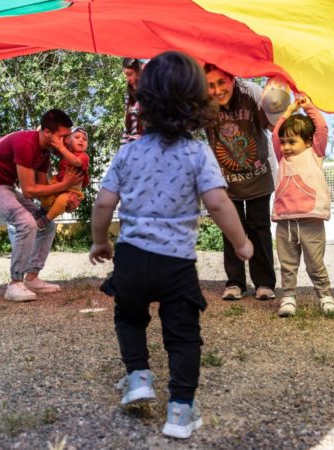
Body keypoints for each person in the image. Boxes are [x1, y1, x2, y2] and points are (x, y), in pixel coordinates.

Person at [90, 50, 253, 439]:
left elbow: (104, 203)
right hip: (176, 263)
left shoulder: (128, 152)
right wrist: (242, 243)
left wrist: (100, 241)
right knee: (182, 333)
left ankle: (139, 376)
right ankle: (180, 408)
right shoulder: (198, 152)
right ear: (198, 102)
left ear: (143, 103)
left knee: (129, 317)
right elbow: (217, 203)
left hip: (131, 257)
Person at [0, 110, 81, 302]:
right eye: (63, 136)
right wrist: (64, 185)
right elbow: (30, 191)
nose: (66, 142)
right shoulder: (25, 143)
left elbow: (44, 194)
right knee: (26, 222)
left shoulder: (44, 153)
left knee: (46, 225)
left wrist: (66, 201)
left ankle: (31, 278)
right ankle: (15, 283)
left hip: (5, 187)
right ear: (47, 133)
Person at [204, 63, 277, 301]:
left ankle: (264, 283)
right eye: (211, 85)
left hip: (258, 175)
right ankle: (235, 282)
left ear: (232, 78)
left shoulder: (251, 93)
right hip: (225, 179)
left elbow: (274, 124)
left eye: (221, 82)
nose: (217, 90)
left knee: (259, 228)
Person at [271, 97, 334, 317]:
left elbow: (321, 126)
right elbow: (275, 133)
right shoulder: (282, 158)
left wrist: (308, 105)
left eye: (292, 142)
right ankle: (288, 297)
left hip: (311, 219)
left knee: (315, 263)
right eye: (284, 142)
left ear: (308, 142)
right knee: (287, 264)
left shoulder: (314, 152)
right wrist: (289, 109)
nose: (286, 147)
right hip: (285, 220)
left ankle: (325, 296)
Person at [34, 126, 90, 230]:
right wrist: (41, 131)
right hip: (59, 183)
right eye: (77, 137)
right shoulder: (65, 152)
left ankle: (46, 219)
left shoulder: (83, 156)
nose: (81, 140)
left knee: (61, 201)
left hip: (72, 190)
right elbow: (54, 146)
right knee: (46, 195)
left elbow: (76, 162)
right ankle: (43, 210)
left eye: (85, 139)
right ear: (68, 141)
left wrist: (61, 148)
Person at [121, 57, 143, 143]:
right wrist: (122, 150)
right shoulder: (129, 96)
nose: (128, 79)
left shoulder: (154, 93)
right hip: (132, 146)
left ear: (139, 72)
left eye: (130, 74)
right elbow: (127, 128)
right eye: (125, 75)